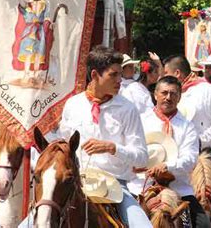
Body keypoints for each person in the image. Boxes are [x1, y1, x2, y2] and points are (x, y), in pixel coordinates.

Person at [58, 46, 151, 227]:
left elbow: (142, 158)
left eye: (120, 74)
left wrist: (113, 148)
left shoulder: (128, 108)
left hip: (116, 187)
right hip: (77, 184)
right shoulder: (72, 105)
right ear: (94, 75)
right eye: (113, 75)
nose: (120, 80)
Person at [162, 55, 211, 228]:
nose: (163, 77)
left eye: (166, 72)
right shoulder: (169, 93)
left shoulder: (205, 90)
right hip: (172, 154)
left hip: (203, 153)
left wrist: (202, 140)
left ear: (177, 73)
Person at [129, 76, 211, 228]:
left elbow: (190, 159)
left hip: (178, 188)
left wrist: (168, 166)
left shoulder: (188, 126)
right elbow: (131, 149)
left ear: (179, 97)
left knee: (204, 225)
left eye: (173, 94)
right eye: (164, 93)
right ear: (155, 94)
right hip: (141, 187)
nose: (168, 98)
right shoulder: (140, 120)